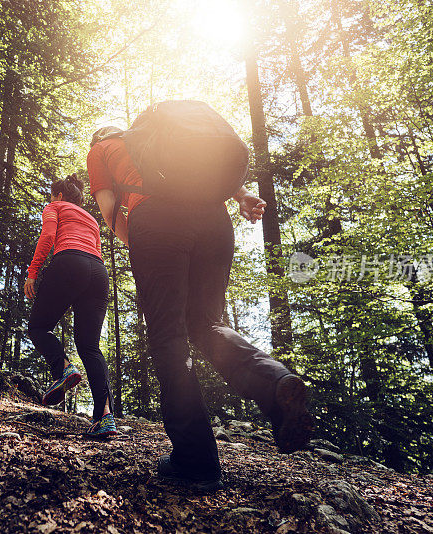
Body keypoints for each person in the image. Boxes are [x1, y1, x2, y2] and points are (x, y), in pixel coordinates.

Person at [86, 126, 313, 490]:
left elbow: (110, 208)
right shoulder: (156, 136)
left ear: (98, 137)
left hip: (156, 220)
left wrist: (141, 245)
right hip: (213, 218)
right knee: (207, 323)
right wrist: (240, 194)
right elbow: (212, 172)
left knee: (168, 335)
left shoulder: (102, 149)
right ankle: (274, 384)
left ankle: (196, 460)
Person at [25, 174, 118, 438]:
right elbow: (95, 250)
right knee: (90, 347)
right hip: (98, 273)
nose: (50, 200)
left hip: (69, 263)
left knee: (39, 327)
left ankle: (63, 368)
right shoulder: (91, 219)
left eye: (52, 196)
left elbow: (48, 236)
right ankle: (105, 418)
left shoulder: (55, 207)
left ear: (59, 196)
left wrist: (33, 272)